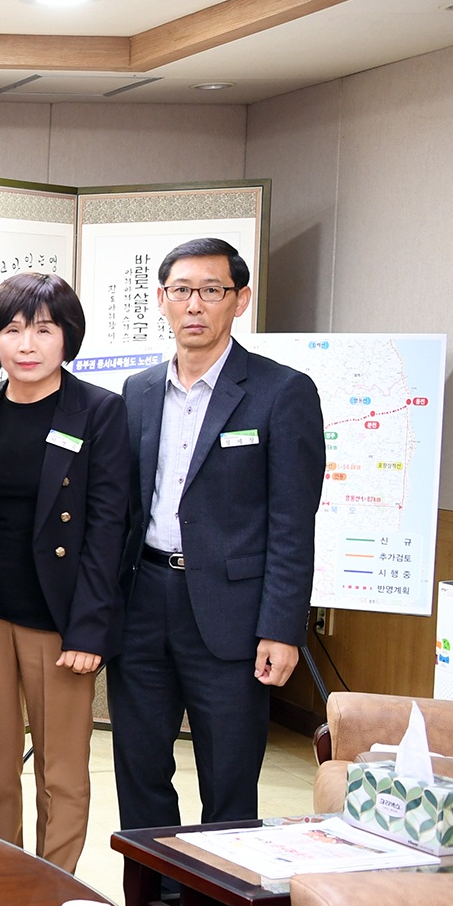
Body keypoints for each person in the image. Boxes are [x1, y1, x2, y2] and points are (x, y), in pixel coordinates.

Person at [110, 237, 323, 829]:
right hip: (144, 602)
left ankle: (220, 895)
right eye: (181, 291)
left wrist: (282, 628)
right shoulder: (139, 391)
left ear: (240, 299)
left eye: (211, 290)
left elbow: (292, 523)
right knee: (139, 771)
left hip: (233, 615)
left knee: (229, 781)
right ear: (162, 300)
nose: (195, 304)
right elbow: (125, 509)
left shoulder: (282, 392)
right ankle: (152, 887)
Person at [0, 273, 130, 872]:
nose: (27, 344)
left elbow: (108, 527)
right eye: (12, 330)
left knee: (61, 770)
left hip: (58, 623)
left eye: (43, 329)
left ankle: (55, 883)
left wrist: (89, 629)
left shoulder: (99, 412)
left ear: (68, 337)